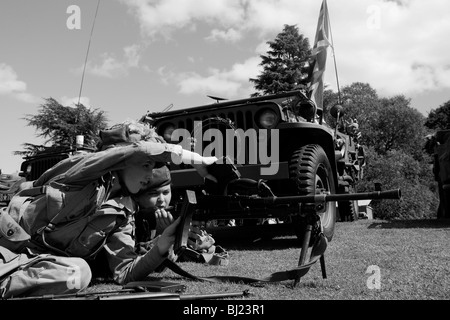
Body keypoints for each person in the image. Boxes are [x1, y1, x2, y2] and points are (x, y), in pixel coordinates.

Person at [0, 120, 217, 299]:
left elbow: (125, 273)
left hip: (34, 264)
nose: (150, 175)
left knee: (78, 272)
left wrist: (162, 245)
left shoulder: (122, 213)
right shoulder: (80, 171)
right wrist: (193, 158)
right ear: (120, 160)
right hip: (6, 249)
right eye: (145, 165)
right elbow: (136, 150)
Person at [133, 165, 229, 266]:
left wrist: (193, 243)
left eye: (166, 192)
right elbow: (135, 262)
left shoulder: (171, 214)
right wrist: (163, 237)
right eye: (153, 193)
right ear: (137, 197)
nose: (161, 199)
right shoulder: (130, 219)